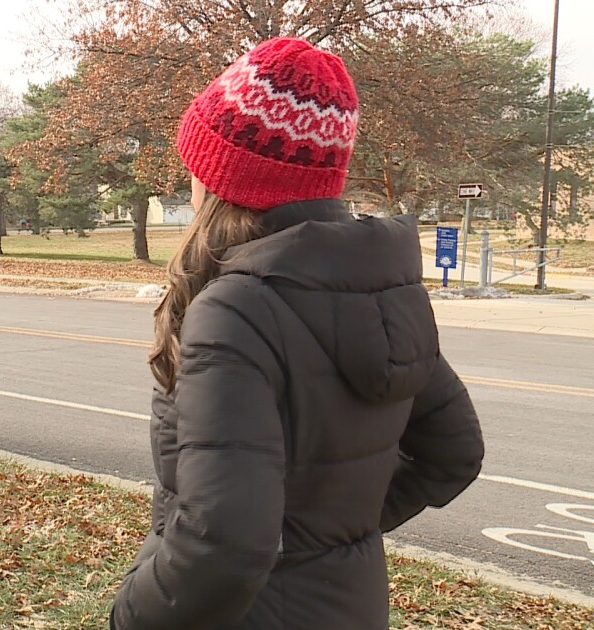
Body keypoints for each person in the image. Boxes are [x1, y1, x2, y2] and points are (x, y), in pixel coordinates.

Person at [110, 38, 484, 629]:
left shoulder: (234, 311)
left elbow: (223, 546)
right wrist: (330, 534)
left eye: (194, 169)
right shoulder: (382, 290)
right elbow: (455, 453)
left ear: (223, 176)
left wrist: (132, 615)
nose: (189, 185)